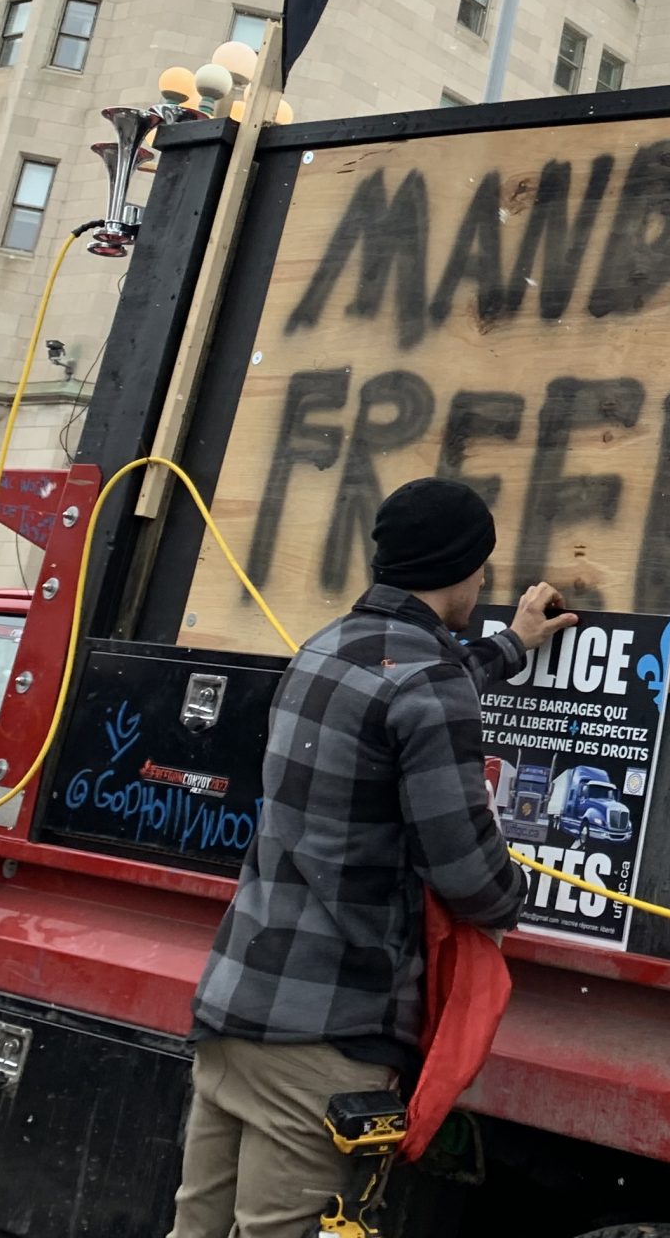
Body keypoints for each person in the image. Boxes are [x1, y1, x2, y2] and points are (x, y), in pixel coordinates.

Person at [168, 477, 576, 1238]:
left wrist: (513, 645)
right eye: (481, 566)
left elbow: (412, 697)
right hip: (325, 1039)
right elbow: (471, 880)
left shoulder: (325, 649)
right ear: (462, 567)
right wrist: (524, 887)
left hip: (237, 1010)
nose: (485, 581)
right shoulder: (427, 684)